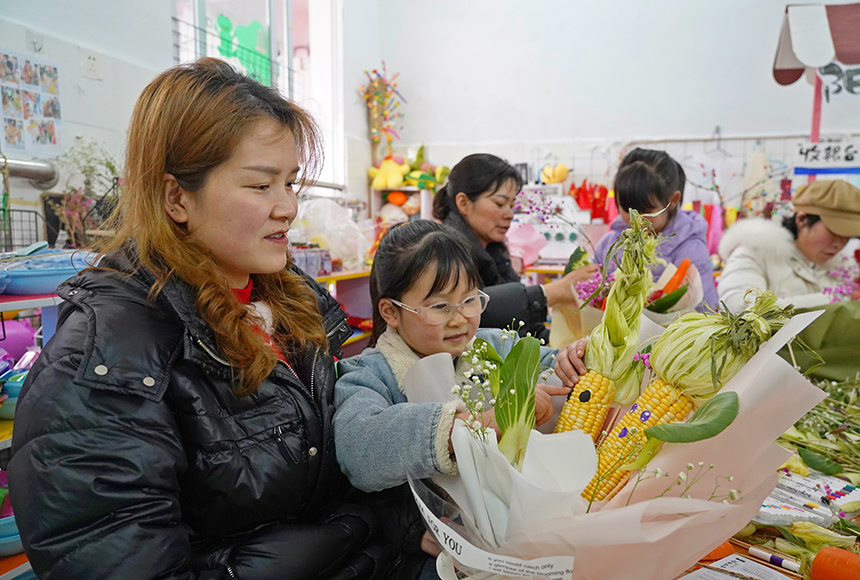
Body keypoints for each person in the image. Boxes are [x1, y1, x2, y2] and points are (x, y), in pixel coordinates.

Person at [8, 58, 428, 580]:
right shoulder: (107, 358)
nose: (288, 207)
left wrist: (402, 518)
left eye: (291, 183)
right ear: (176, 198)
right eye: (261, 186)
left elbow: (338, 452)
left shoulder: (295, 302)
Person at [333, 220, 587, 494]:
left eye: (469, 300)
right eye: (440, 306)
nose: (459, 319)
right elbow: (357, 450)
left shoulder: (498, 345)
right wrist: (484, 421)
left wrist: (571, 358)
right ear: (391, 312)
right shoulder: (369, 374)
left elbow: (554, 365)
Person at [432, 153, 598, 341]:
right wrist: (549, 293)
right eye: (500, 203)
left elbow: (524, 328)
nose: (509, 214)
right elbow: (469, 309)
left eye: (511, 205)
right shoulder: (444, 253)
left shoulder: (495, 252)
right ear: (463, 203)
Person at [594, 148, 719, 311]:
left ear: (673, 200)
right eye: (627, 209)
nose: (635, 219)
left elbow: (707, 312)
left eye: (645, 211)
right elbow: (590, 297)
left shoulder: (691, 251)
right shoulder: (608, 245)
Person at [718, 179, 860, 313]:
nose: (839, 244)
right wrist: (831, 300)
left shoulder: (841, 266)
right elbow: (739, 311)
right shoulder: (755, 254)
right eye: (834, 232)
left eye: (848, 236)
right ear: (802, 220)